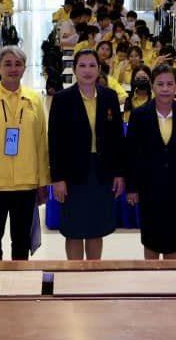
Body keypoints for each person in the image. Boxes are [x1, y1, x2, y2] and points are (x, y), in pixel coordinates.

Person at [50, 48, 126, 259]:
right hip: (73, 173)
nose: (87, 70)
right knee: (74, 230)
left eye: (92, 65)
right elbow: (54, 141)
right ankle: (75, 277)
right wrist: (57, 178)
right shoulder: (63, 99)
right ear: (74, 69)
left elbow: (117, 139)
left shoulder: (109, 97)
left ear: (99, 69)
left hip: (102, 172)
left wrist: (119, 173)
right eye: (82, 65)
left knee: (96, 229)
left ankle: (93, 274)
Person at [125, 64, 176, 260]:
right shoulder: (139, 115)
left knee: (173, 239)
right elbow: (131, 154)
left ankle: (170, 281)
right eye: (160, 84)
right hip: (148, 187)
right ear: (153, 86)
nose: (166, 88)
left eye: (170, 84)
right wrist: (132, 187)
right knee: (150, 237)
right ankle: (151, 283)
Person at [0, 45, 49, 261]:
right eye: (7, 64)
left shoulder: (34, 99)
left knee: (21, 241)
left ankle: (20, 287)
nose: (13, 69)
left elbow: (41, 142)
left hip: (25, 183)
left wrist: (42, 181)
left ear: (25, 68)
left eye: (18, 64)